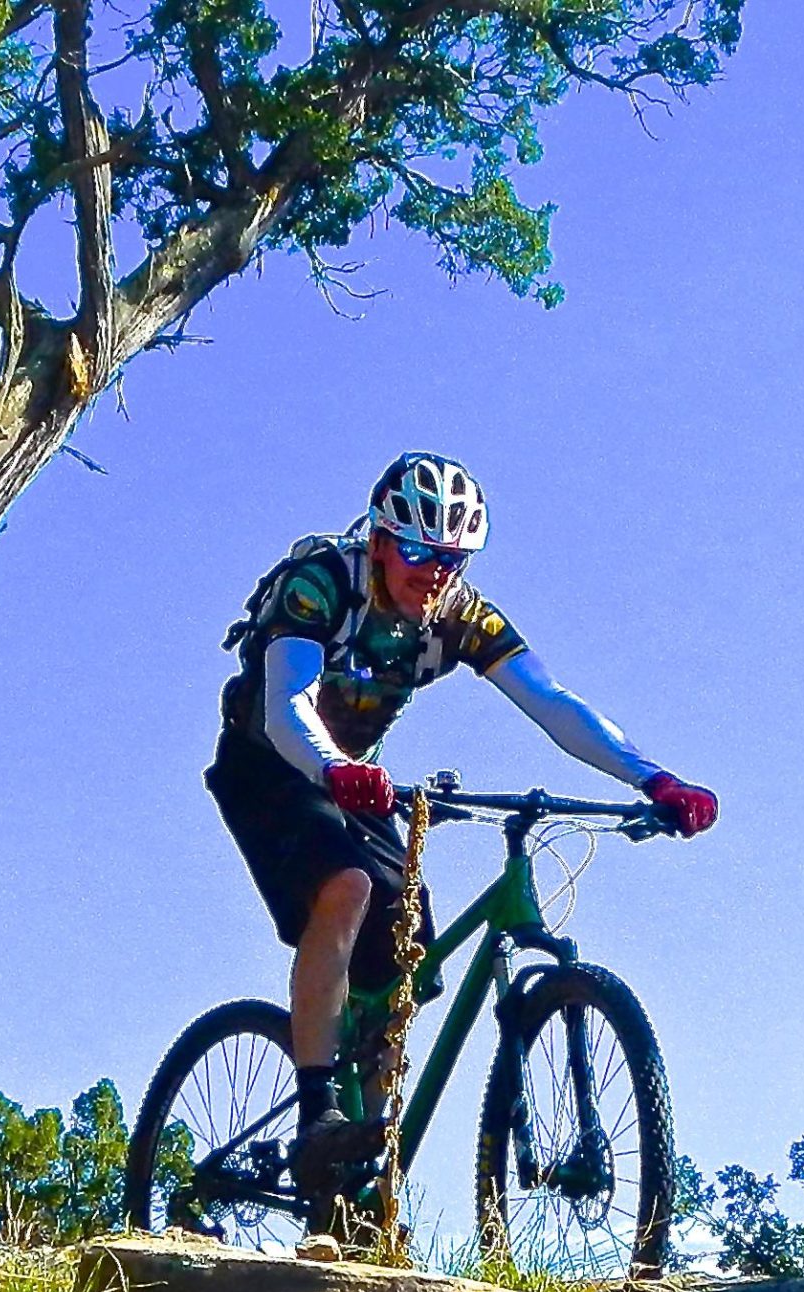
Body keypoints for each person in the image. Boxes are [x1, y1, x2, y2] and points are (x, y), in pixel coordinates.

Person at [207, 451, 716, 1181]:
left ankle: (363, 1168)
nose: (433, 571)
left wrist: (654, 777)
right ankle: (318, 1110)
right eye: (416, 550)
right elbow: (286, 703)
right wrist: (335, 769)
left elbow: (550, 700)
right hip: (270, 765)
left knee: (405, 960)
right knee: (346, 886)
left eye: (452, 556)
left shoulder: (456, 616)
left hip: (355, 781)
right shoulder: (320, 585)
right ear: (379, 540)